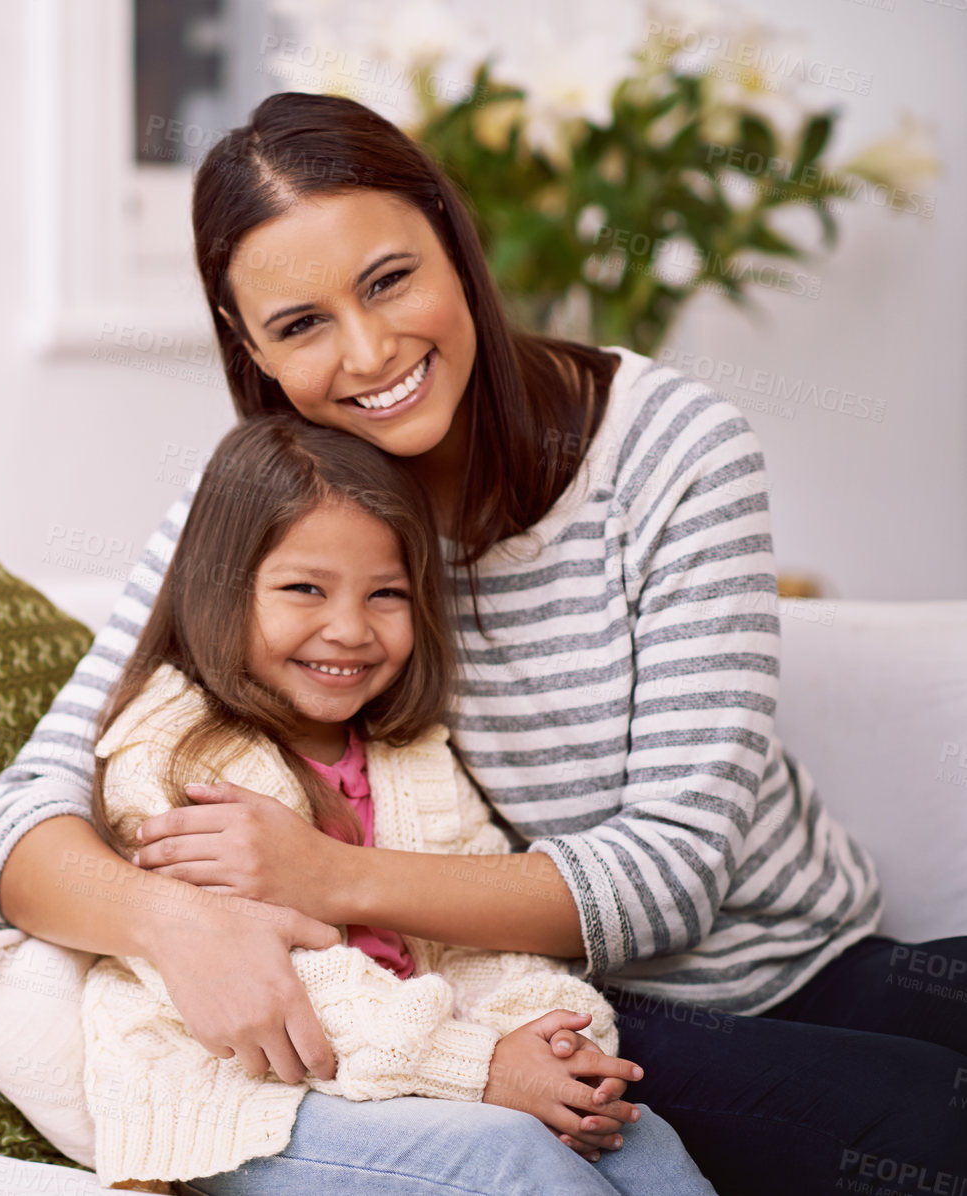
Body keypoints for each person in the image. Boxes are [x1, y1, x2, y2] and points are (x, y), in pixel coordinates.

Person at [0, 92, 967, 1196]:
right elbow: (18, 825)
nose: (368, 352)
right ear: (247, 346)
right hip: (558, 1003)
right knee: (932, 1123)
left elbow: (671, 876)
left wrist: (327, 874)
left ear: (454, 239)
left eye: (388, 278)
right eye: (298, 325)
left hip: (810, 950)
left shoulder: (672, 449)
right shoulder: (264, 514)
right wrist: (175, 922)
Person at [77, 412, 716, 1194]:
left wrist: (545, 1038)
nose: (348, 629)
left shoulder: (408, 752)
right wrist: (480, 1067)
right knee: (512, 1163)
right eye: (304, 589)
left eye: (386, 594)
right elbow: (280, 990)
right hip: (254, 1097)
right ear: (220, 588)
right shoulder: (174, 755)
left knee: (640, 1142)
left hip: (429, 1070)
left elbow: (476, 928)